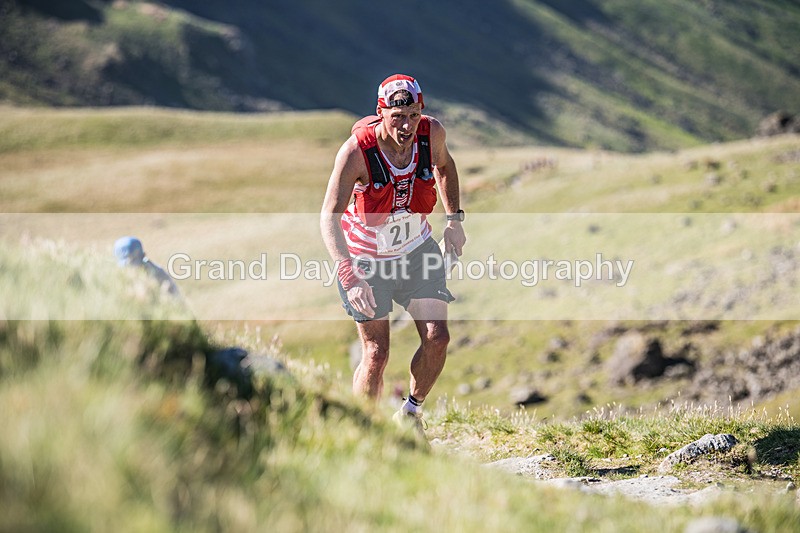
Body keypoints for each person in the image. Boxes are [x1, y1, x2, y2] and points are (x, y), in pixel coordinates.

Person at [320, 74, 466, 433]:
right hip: (367, 261)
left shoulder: (431, 134)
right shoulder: (356, 152)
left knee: (437, 338)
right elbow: (329, 217)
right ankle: (363, 431)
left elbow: (445, 167)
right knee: (376, 353)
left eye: (413, 115)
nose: (406, 126)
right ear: (381, 112)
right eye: (397, 116)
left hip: (416, 252)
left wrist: (454, 220)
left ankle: (410, 414)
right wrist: (349, 274)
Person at [114, 236, 180, 297]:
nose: (130, 269)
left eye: (132, 263)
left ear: (143, 257)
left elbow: (175, 299)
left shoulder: (158, 274)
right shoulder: (115, 277)